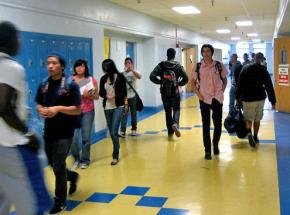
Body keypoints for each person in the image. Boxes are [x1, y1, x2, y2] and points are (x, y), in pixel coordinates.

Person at [0, 21, 52, 215]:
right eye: (18, 38)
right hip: (13, 145)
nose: (20, 43)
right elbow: (3, 106)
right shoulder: (11, 67)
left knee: (3, 196)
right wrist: (27, 133)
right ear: (11, 40)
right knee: (35, 202)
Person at [35, 52, 81, 214]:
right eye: (48, 63)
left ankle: (60, 201)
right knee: (53, 163)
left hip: (65, 132)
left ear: (61, 66)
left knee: (58, 167)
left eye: (54, 63)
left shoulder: (70, 85)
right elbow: (38, 103)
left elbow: (77, 110)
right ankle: (72, 176)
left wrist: (58, 109)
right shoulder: (43, 84)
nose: (50, 66)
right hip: (49, 131)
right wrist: (41, 109)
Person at [192, 44, 227, 160]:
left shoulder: (219, 65)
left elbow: (225, 79)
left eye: (208, 51)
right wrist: (199, 95)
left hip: (217, 98)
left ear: (212, 53)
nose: (206, 53)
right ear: (202, 53)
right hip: (204, 98)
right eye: (204, 51)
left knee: (218, 124)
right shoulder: (198, 66)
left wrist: (222, 91)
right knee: (206, 125)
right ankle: (207, 150)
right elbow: (193, 82)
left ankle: (215, 143)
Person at [236, 52, 276, 147]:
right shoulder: (263, 69)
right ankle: (255, 136)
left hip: (247, 98)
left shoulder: (245, 68)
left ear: (254, 58)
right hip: (260, 98)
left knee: (248, 118)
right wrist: (273, 101)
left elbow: (239, 84)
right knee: (257, 119)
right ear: (262, 59)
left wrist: (237, 98)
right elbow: (269, 86)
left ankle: (249, 132)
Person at [150, 48, 188, 139]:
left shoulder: (161, 65)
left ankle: (170, 133)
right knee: (176, 108)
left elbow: (151, 76)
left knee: (167, 111)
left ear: (167, 55)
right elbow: (186, 78)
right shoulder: (178, 66)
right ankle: (175, 124)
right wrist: (179, 83)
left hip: (164, 92)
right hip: (175, 92)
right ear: (174, 55)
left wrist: (160, 82)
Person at [70, 59, 99, 170]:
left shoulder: (90, 80)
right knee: (73, 137)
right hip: (74, 112)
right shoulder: (71, 80)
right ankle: (76, 159)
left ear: (85, 67)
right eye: (77, 66)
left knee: (86, 138)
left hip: (88, 111)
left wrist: (88, 95)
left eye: (82, 66)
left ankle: (85, 159)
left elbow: (96, 96)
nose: (79, 68)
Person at [99, 59, 127, 165]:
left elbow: (124, 92)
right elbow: (101, 92)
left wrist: (115, 95)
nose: (105, 69)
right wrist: (106, 95)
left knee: (114, 131)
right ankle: (117, 144)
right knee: (111, 132)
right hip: (107, 107)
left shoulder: (120, 77)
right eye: (104, 67)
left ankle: (115, 155)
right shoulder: (103, 78)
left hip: (118, 106)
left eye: (107, 67)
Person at [120, 57, 142, 137]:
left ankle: (134, 129)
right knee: (124, 113)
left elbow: (139, 77)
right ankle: (122, 131)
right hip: (125, 98)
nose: (128, 64)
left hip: (133, 97)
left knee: (133, 114)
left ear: (131, 64)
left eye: (129, 63)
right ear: (124, 64)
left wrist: (132, 70)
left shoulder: (135, 72)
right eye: (126, 63)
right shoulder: (122, 74)